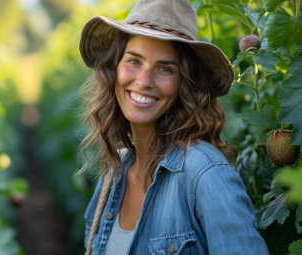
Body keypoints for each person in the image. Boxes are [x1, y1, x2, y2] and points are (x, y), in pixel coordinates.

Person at [78, 0, 270, 254]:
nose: (144, 81)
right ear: (114, 69)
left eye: (165, 69)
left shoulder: (205, 174)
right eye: (134, 61)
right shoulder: (113, 177)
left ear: (185, 84)